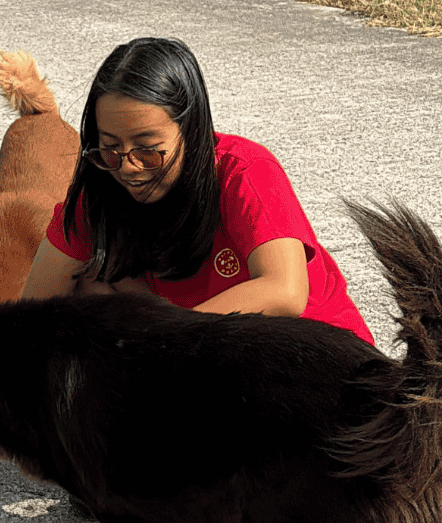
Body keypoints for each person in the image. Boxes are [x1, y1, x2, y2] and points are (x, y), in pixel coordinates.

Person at [21, 36, 373, 345]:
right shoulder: (100, 190)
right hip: (203, 352)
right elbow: (28, 320)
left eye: (148, 149)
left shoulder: (245, 172)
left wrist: (164, 339)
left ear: (191, 130)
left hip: (310, 356)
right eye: (110, 146)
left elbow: (285, 291)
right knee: (88, 292)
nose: (128, 167)